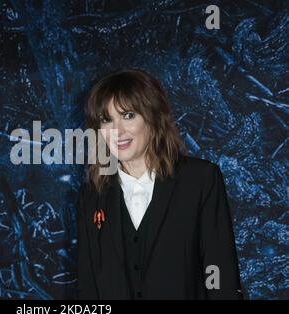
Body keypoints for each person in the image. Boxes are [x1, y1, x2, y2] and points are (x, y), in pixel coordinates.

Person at [77, 68, 243, 299]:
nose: (117, 131)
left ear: (153, 117)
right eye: (107, 120)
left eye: (128, 116)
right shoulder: (91, 195)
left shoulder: (200, 180)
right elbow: (88, 287)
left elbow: (221, 276)